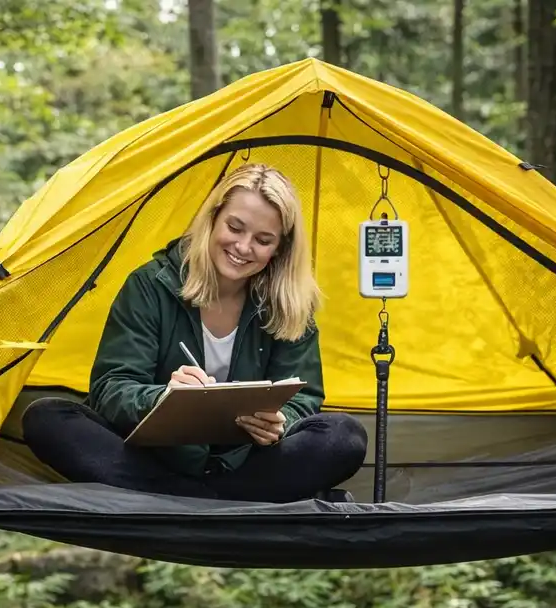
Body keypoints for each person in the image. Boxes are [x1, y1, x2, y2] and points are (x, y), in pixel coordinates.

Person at [22, 164, 368, 503]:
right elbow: (111, 388)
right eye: (235, 228)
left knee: (344, 437)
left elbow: (303, 400)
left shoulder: (290, 303)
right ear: (212, 219)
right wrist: (162, 398)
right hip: (155, 459)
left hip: (247, 465)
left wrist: (280, 423)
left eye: (263, 240)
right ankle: (217, 504)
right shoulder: (151, 285)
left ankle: (174, 502)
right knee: (48, 418)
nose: (243, 247)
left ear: (280, 248)